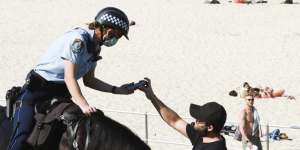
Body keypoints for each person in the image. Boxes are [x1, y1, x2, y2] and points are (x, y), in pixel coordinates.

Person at [7, 7, 136, 150]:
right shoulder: (78, 41)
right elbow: (70, 77)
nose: (115, 39)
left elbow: (89, 80)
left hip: (61, 94)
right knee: (21, 137)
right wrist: (84, 105)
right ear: (105, 29)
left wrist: (117, 90)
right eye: (115, 35)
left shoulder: (95, 47)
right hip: (37, 92)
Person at [139, 78, 227, 150]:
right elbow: (174, 120)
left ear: (210, 127)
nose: (195, 121)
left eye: (199, 120)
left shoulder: (217, 148)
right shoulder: (202, 135)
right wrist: (152, 97)